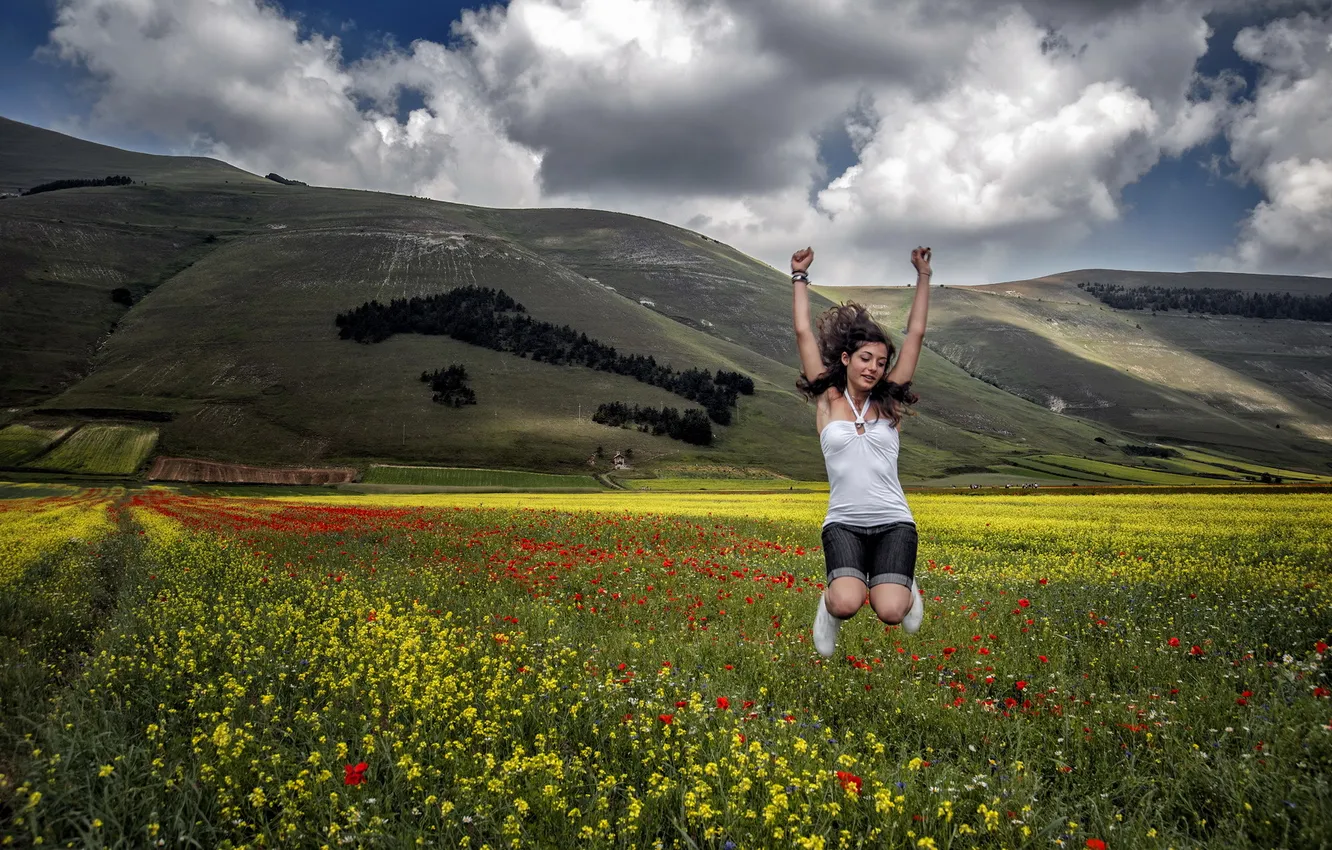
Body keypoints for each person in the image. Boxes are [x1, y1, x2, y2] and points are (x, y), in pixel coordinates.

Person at [790, 245, 933, 658]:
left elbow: (917, 334)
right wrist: (799, 277)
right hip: (844, 524)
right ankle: (827, 608)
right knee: (847, 602)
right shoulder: (827, 398)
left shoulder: (889, 402)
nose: (873, 367)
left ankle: (906, 587)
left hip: (894, 522)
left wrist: (923, 274)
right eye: (865, 358)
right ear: (847, 358)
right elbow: (802, 333)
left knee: (891, 612)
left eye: (881, 362)